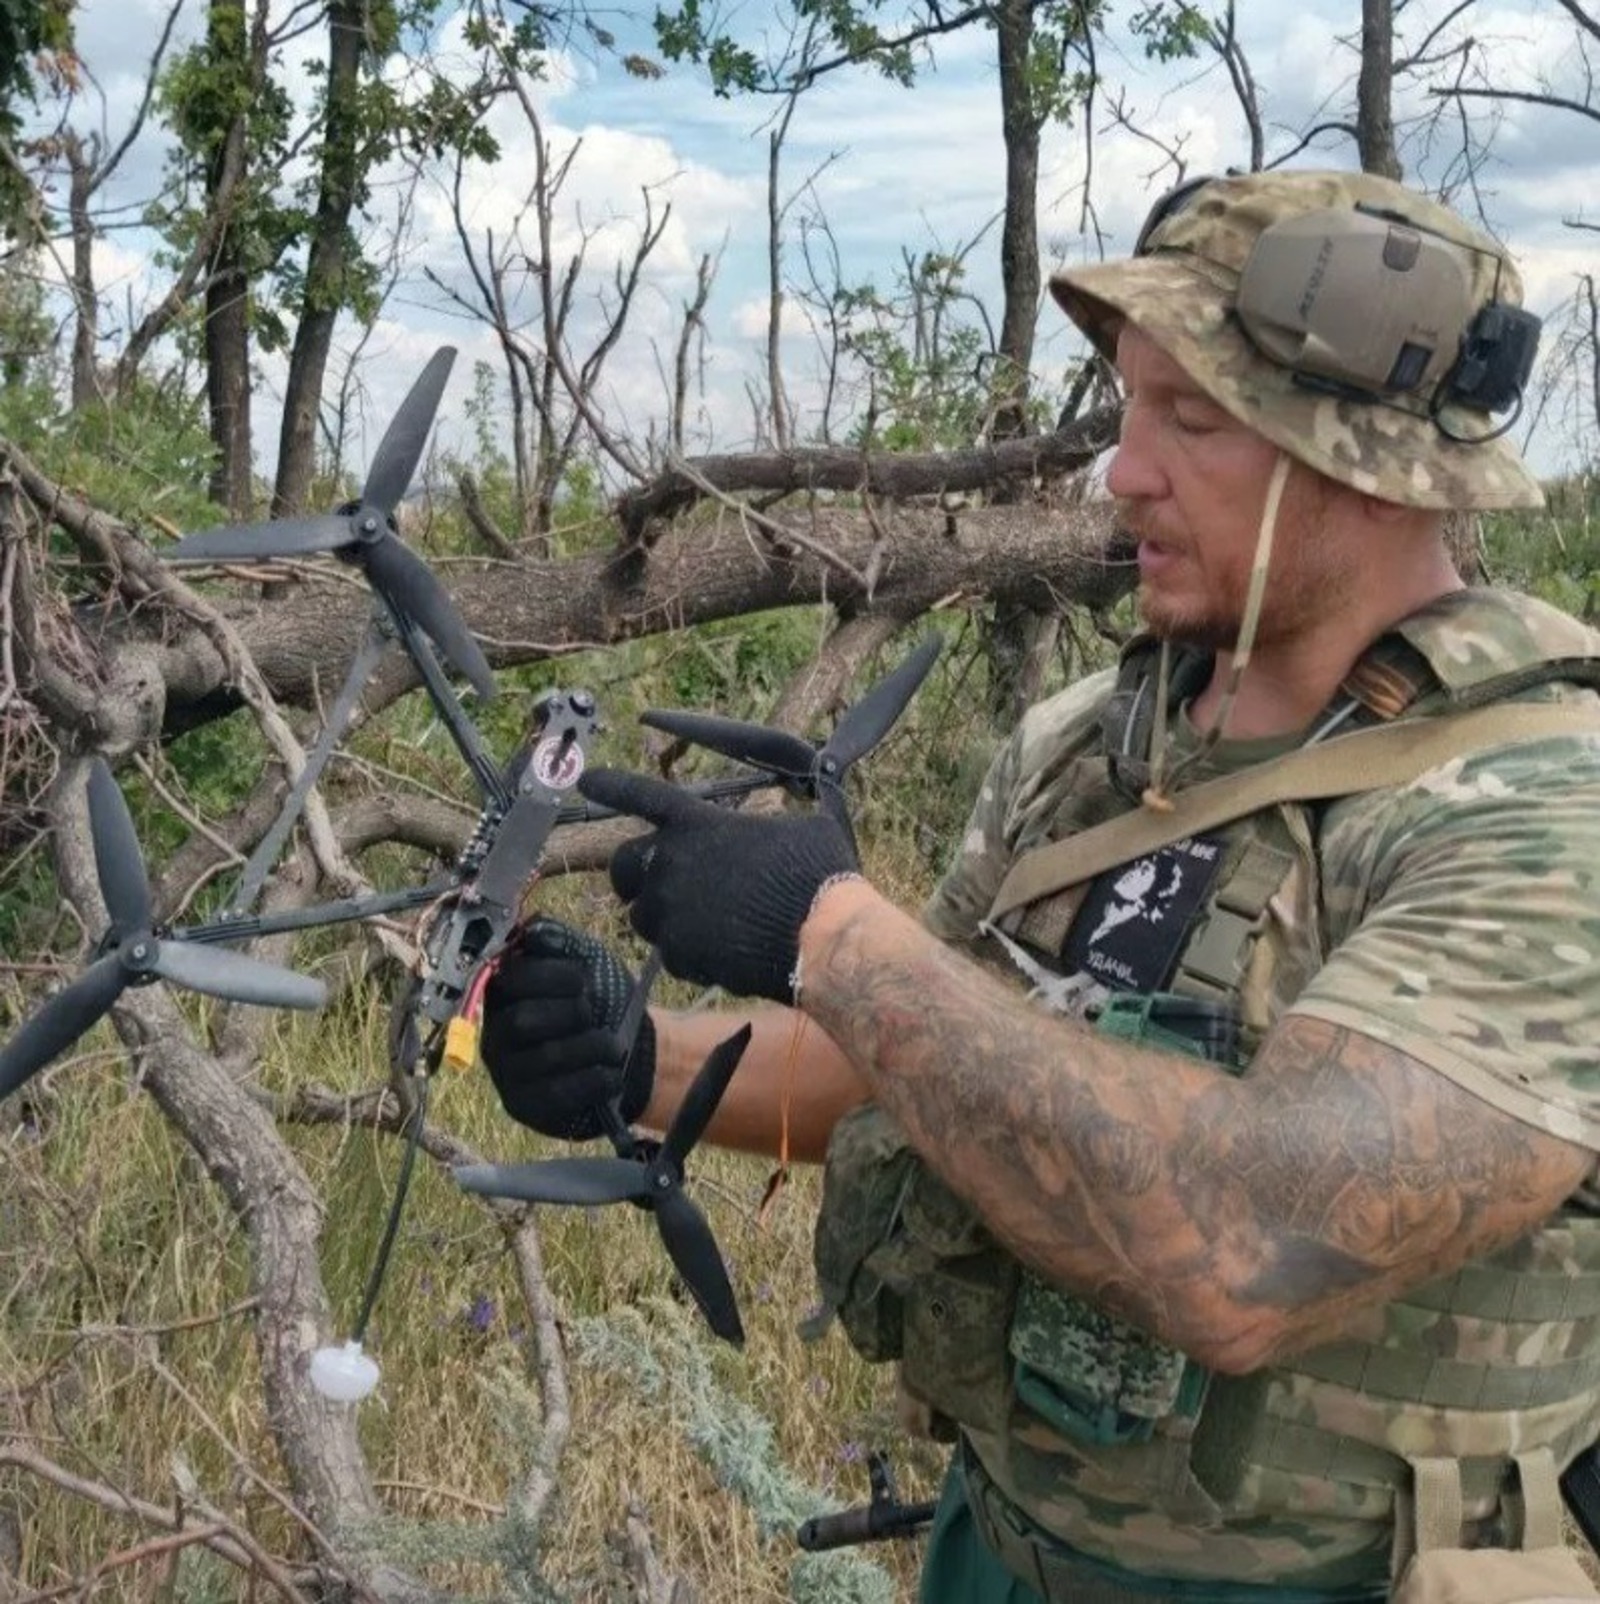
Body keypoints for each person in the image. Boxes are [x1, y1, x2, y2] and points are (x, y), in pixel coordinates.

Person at [481, 169, 1600, 1602]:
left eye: (1193, 420)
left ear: (1367, 465)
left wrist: (832, 931)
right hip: (999, 1555)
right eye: (1131, 407)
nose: (1124, 472)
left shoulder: (1539, 807)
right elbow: (921, 1059)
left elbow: (1256, 1248)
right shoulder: (1093, 746)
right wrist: (639, 1062)